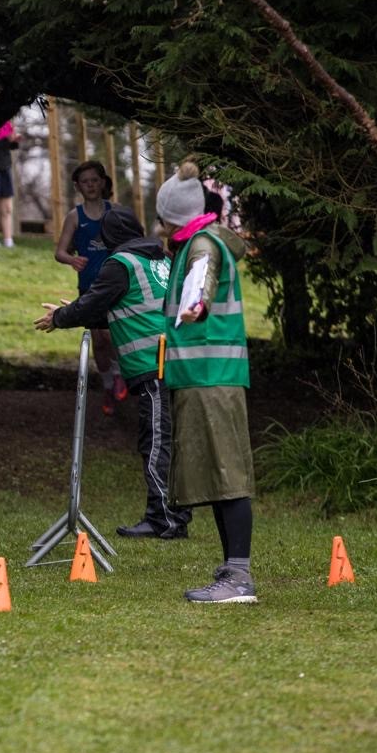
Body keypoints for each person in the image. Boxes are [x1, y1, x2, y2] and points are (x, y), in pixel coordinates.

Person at [35, 205, 192, 540]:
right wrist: (71, 313)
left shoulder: (121, 263)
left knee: (155, 441)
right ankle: (176, 514)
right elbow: (123, 310)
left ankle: (163, 519)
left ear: (109, 237)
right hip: (174, 361)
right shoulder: (160, 260)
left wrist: (60, 317)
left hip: (152, 363)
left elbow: (95, 303)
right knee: (170, 440)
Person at [156, 159, 257, 604]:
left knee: (228, 475)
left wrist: (197, 304)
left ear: (171, 216)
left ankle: (239, 577)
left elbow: (203, 279)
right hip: (204, 378)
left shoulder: (201, 245)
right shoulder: (199, 242)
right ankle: (232, 570)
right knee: (219, 476)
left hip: (211, 378)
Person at [52, 161, 130, 415]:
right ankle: (107, 386)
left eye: (95, 180)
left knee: (110, 334)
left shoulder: (115, 212)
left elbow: (132, 241)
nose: (91, 185)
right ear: (77, 186)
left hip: (115, 284)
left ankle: (118, 375)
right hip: (88, 286)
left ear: (103, 182)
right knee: (98, 339)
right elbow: (60, 252)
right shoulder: (75, 217)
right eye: (85, 182)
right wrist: (72, 260)